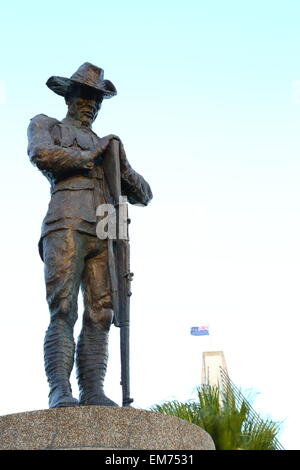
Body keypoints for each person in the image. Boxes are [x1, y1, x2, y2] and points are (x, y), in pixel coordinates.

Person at [27, 62, 152, 408]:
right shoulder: (47, 125)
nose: (90, 104)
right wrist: (93, 154)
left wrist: (120, 163)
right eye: (84, 96)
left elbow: (144, 194)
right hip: (66, 222)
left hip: (106, 230)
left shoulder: (107, 144)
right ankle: (59, 389)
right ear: (69, 96)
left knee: (101, 314)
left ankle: (93, 390)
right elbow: (41, 154)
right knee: (63, 308)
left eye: (96, 99)